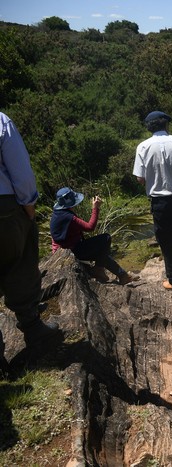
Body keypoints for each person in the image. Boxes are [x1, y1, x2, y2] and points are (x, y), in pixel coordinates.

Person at [0, 112, 61, 354]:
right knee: (21, 262)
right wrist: (29, 208)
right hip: (4, 206)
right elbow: (21, 171)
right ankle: (32, 326)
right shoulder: (2, 121)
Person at [133, 110, 172, 293]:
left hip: (160, 201)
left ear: (149, 127)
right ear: (166, 125)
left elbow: (140, 178)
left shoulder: (143, 147)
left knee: (167, 242)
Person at [50, 187, 138, 285]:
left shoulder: (58, 213)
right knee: (106, 238)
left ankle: (123, 276)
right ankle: (100, 270)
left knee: (101, 255)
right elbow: (90, 227)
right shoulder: (68, 217)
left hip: (68, 248)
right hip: (69, 252)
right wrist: (95, 207)